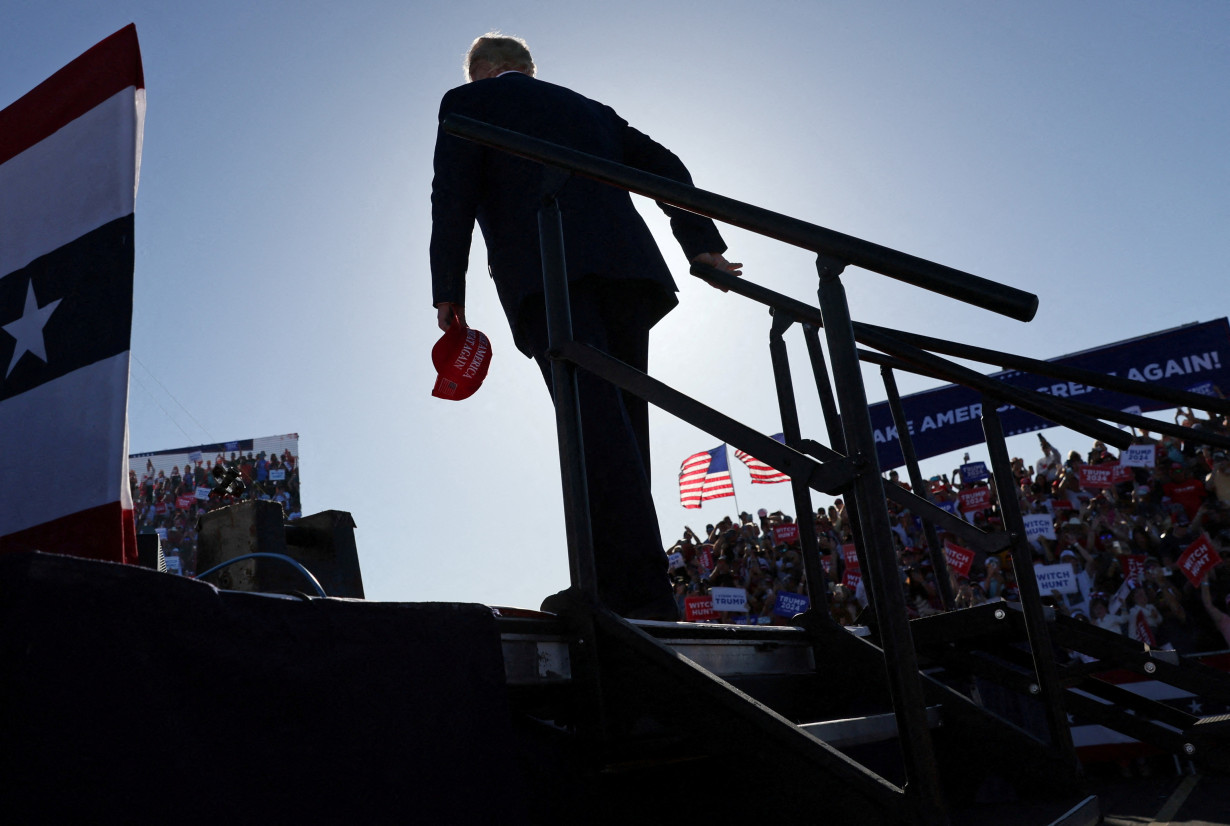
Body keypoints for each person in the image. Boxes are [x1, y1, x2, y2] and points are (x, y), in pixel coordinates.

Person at [430, 34, 741, 620]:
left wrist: (448, 290)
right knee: (622, 427)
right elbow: (666, 166)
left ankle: (627, 595)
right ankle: (636, 585)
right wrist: (700, 246)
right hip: (628, 272)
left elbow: (452, 194)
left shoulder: (466, 103)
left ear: (484, 71)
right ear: (527, 68)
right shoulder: (589, 108)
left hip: (549, 272)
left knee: (589, 427)